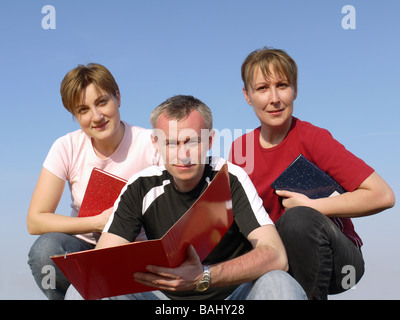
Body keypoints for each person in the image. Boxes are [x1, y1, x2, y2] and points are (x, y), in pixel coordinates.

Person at [65, 94, 306, 300]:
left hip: (232, 298)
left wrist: (204, 276)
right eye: (170, 143)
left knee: (279, 283)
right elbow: (101, 264)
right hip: (165, 300)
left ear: (210, 141)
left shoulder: (230, 177)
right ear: (156, 143)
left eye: (192, 141)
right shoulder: (140, 186)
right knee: (82, 289)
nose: (183, 155)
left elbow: (276, 255)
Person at [229, 47, 396, 299]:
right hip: (277, 260)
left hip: (337, 259)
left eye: (282, 85)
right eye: (262, 88)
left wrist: (313, 206)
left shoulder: (312, 138)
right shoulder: (240, 149)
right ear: (247, 95)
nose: (274, 98)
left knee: (298, 219)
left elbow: (382, 195)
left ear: (295, 89)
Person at [27, 63, 159, 300]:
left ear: (117, 97)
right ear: (75, 116)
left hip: (134, 250)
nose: (96, 117)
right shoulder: (66, 147)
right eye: (83, 110)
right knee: (45, 250)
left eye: (101, 102)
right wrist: (96, 222)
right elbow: (36, 220)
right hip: (84, 246)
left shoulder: (151, 144)